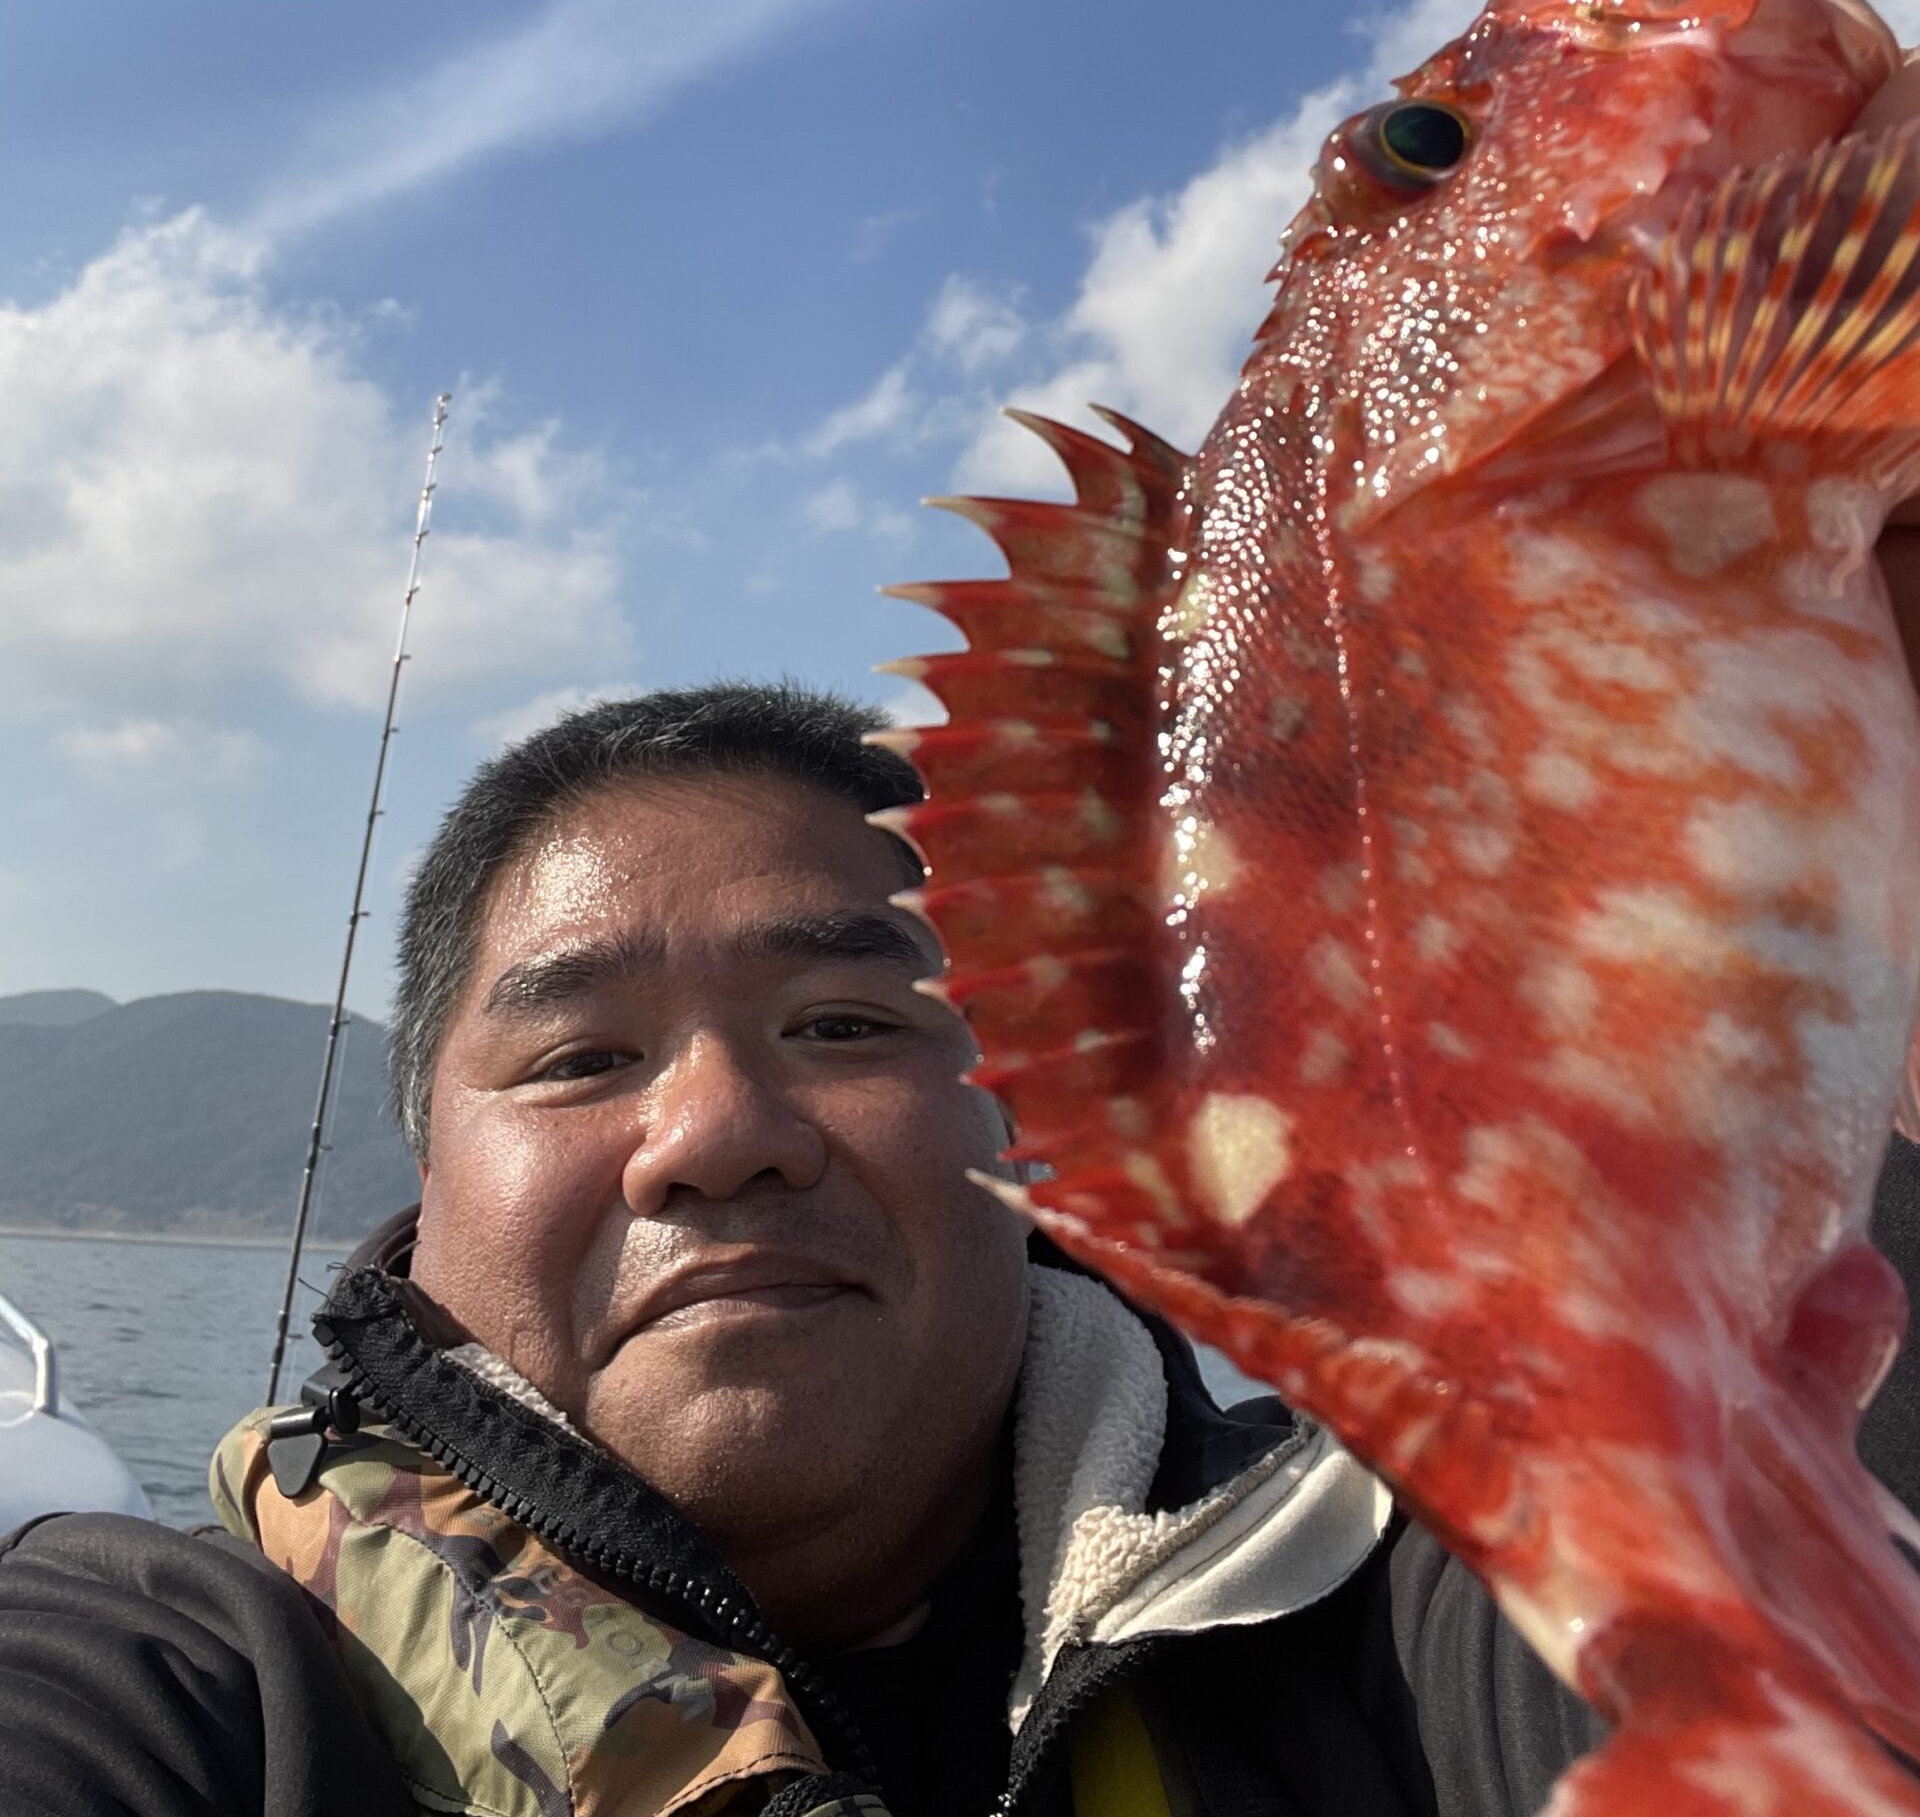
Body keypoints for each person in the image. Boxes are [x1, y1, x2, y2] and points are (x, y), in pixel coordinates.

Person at [3, 680, 1918, 1817]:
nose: (719, 1137)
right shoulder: (191, 1684)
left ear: (1038, 1108)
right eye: (580, 1057)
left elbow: (1808, 1554)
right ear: (424, 1165)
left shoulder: (1411, 1606)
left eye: (849, 1026)